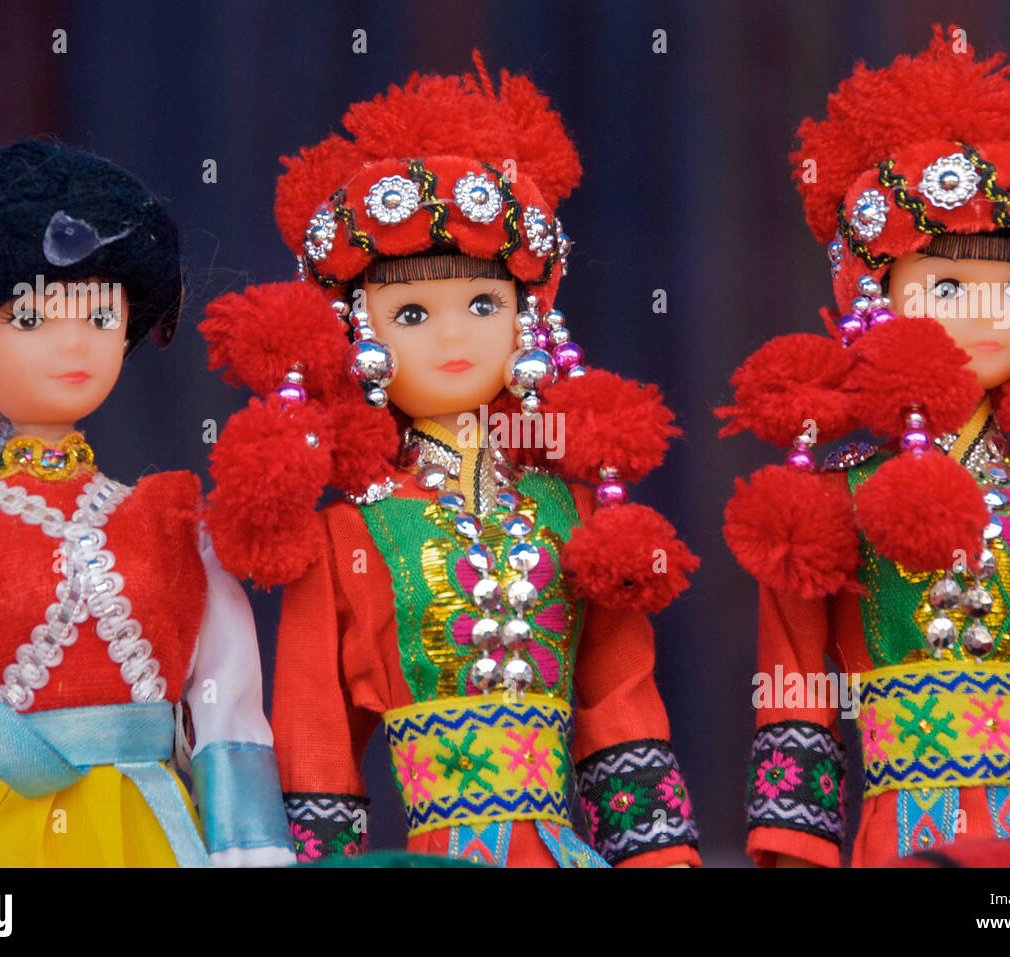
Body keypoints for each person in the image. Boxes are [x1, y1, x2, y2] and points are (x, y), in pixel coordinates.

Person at [202, 54, 701, 867]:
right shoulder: (346, 532)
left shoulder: (570, 506)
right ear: (360, 336)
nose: (453, 335)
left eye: (482, 303)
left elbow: (618, 701)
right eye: (410, 311)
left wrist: (657, 856)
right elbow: (314, 735)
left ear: (525, 321)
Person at [720, 26, 1010, 867]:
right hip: (892, 844)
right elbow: (797, 700)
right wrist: (792, 851)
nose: (987, 314)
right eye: (947, 284)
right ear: (876, 294)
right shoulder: (829, 494)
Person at [0, 139, 294, 867]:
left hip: (154, 836)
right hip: (8, 845)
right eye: (31, 320)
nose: (74, 344)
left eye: (99, 317)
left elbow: (229, 715)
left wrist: (250, 851)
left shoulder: (176, 525)